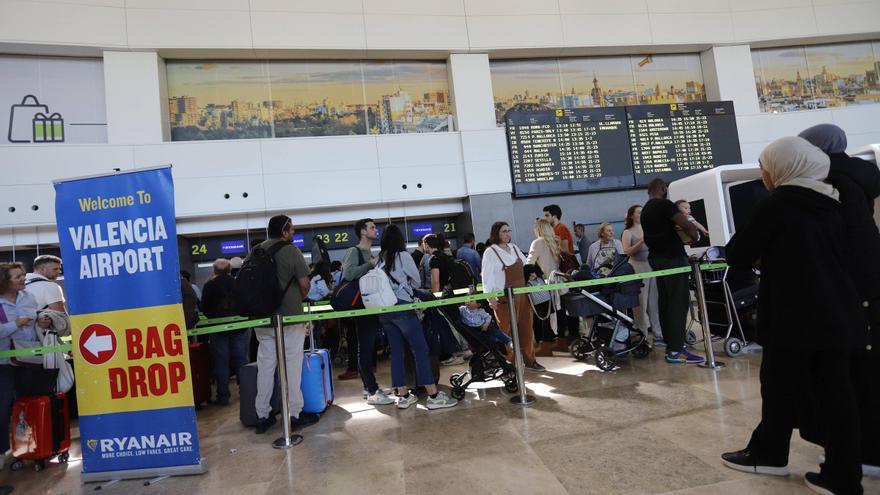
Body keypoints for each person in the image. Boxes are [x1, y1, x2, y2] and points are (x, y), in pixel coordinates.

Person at [720, 137, 865, 494]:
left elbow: (737, 253)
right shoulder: (832, 202)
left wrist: (764, 255)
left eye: (765, 166)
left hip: (794, 315)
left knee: (779, 386)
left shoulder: (780, 203)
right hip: (837, 312)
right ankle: (843, 475)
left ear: (784, 168)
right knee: (837, 395)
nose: (763, 174)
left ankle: (770, 453)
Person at [799, 123, 880, 474]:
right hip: (870, 283)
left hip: (841, 286)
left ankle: (858, 450)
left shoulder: (827, 182)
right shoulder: (868, 174)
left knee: (844, 375)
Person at [377, 225, 458, 410]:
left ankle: (403, 396)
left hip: (384, 311)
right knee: (420, 349)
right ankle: (433, 395)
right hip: (403, 308)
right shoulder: (403, 256)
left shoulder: (380, 259)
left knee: (396, 353)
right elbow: (417, 281)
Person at [251, 215, 317, 435]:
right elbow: (305, 285)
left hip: (263, 319)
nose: (294, 233)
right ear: (285, 231)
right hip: (289, 318)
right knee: (292, 367)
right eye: (293, 230)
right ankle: (294, 414)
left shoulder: (256, 250)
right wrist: (293, 297)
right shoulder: (291, 251)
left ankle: (262, 415)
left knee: (265, 367)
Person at [641, 178, 705, 365]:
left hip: (656, 258)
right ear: (663, 188)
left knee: (666, 302)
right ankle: (677, 350)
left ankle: (671, 346)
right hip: (673, 258)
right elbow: (685, 224)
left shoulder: (646, 210)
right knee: (678, 302)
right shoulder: (664, 205)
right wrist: (694, 237)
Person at [0, 262, 48, 469]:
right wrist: (15, 324)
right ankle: (3, 452)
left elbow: (36, 317)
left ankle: (30, 447)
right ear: (4, 281)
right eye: (17, 276)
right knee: (3, 409)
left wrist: (42, 321)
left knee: (27, 405)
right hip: (4, 363)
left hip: (29, 358)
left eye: (22, 275)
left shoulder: (28, 297)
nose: (23, 279)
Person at [342, 218, 394, 405]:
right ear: (363, 232)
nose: (376, 230)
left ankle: (369, 387)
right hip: (360, 307)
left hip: (369, 306)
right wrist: (369, 265)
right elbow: (348, 274)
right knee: (364, 348)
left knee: (368, 347)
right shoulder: (354, 251)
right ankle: (371, 390)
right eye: (372, 227)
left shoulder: (368, 252)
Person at [482, 222, 545, 372]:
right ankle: (511, 364)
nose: (507, 234)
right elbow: (486, 277)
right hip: (503, 299)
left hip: (522, 296)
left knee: (526, 328)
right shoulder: (490, 252)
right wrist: (490, 298)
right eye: (504, 231)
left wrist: (532, 272)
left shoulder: (514, 248)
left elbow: (525, 265)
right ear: (496, 233)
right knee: (506, 332)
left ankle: (530, 360)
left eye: (508, 231)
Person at [201, 258, 246, 406]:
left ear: (214, 271)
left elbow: (204, 308)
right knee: (240, 359)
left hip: (218, 329)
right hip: (239, 327)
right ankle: (245, 391)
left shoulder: (209, 285)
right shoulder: (238, 283)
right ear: (229, 270)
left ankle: (223, 396)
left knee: (221, 362)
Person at [621, 205, 663, 346]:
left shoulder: (648, 228)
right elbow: (627, 252)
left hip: (651, 266)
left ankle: (658, 334)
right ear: (632, 215)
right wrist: (642, 241)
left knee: (654, 302)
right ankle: (642, 335)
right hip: (637, 267)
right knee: (641, 303)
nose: (641, 214)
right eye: (639, 212)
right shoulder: (627, 232)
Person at [424, 233, 467, 365]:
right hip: (454, 294)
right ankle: (466, 349)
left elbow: (436, 281)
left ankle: (457, 353)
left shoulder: (434, 259)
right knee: (457, 321)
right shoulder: (447, 257)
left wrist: (434, 297)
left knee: (449, 324)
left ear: (427, 244)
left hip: (443, 296)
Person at [542, 205, 578, 352]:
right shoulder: (554, 230)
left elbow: (564, 250)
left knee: (566, 305)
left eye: (547, 215)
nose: (545, 218)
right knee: (562, 306)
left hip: (565, 270)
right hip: (560, 271)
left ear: (554, 216)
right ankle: (566, 335)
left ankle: (573, 334)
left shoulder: (561, 229)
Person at [526, 219, 561, 356]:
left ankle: (545, 345)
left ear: (538, 229)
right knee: (557, 313)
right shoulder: (555, 241)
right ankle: (559, 341)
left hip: (543, 284)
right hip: (558, 283)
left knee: (543, 315)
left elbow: (529, 264)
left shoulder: (538, 242)